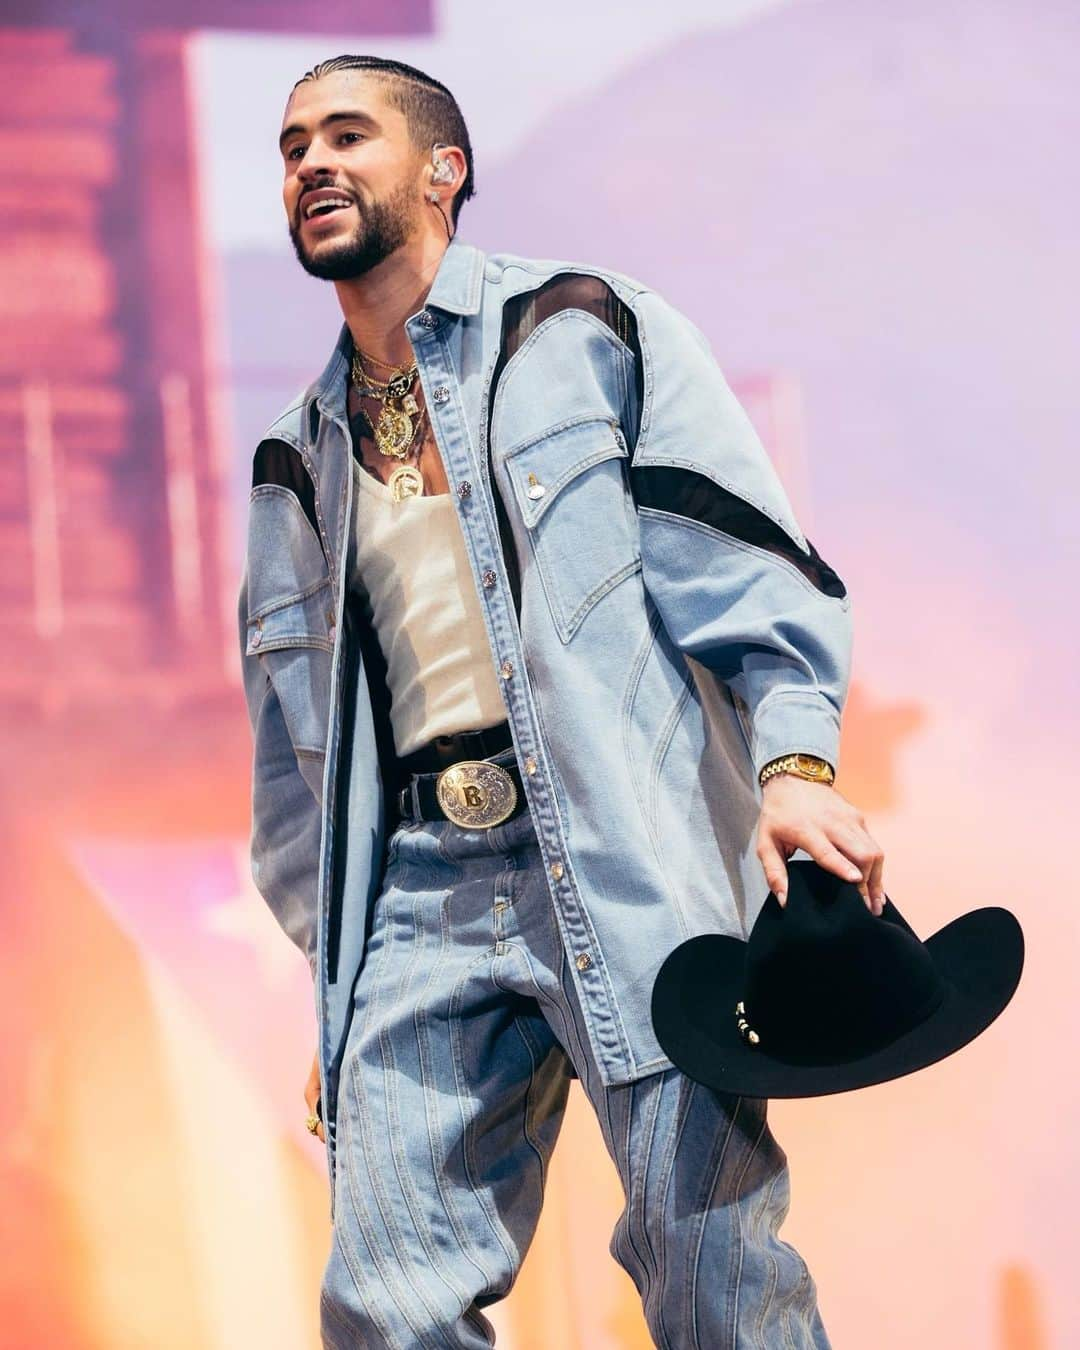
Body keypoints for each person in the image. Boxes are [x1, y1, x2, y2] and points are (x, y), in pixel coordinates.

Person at [239, 52, 886, 1348]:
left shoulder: (586, 331)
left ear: (443, 169)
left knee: (713, 1271)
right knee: (383, 1305)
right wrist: (337, 982)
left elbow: (753, 573)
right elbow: (288, 769)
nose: (310, 162)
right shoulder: (295, 462)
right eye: (292, 144)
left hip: (610, 847)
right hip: (416, 897)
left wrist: (796, 770)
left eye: (345, 135)